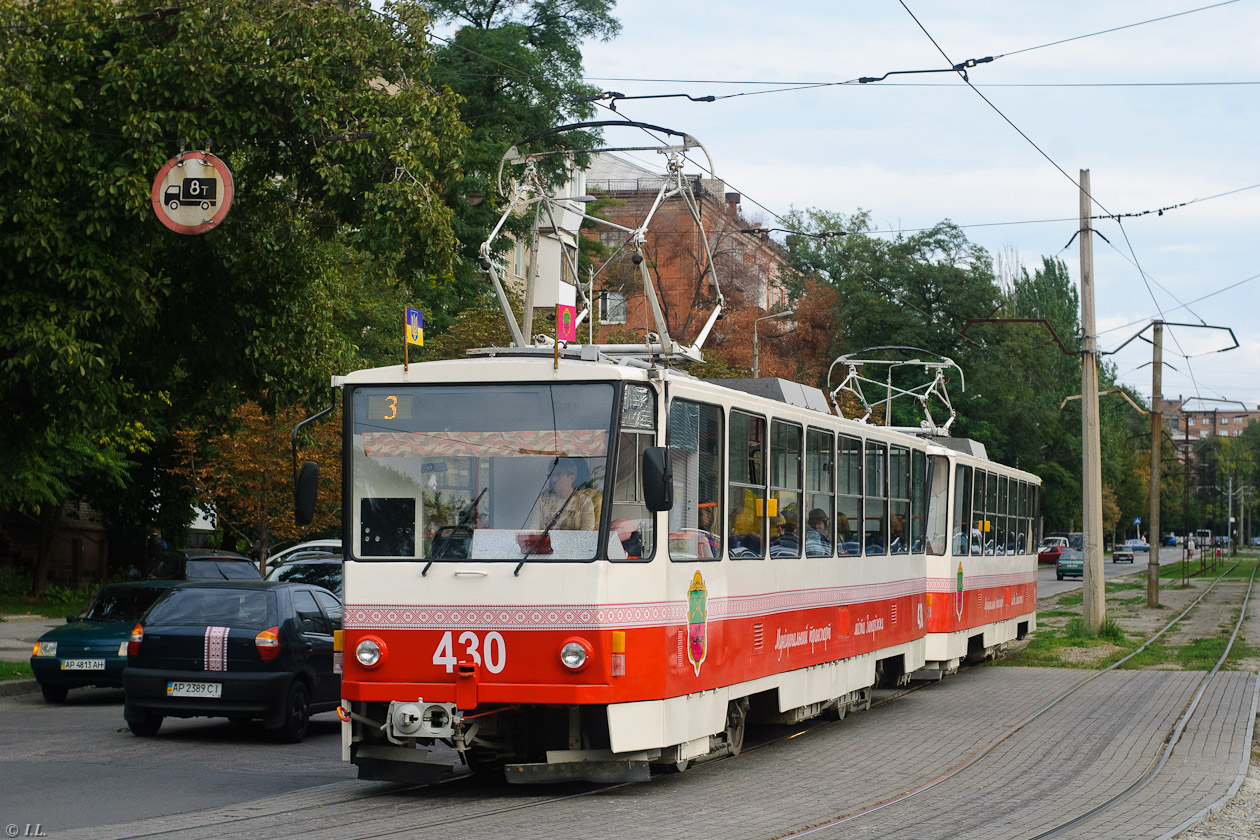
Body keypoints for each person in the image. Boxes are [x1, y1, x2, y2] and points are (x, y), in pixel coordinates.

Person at [532, 459, 597, 531]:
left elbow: (587, 534)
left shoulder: (584, 502)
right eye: (551, 475)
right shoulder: (543, 499)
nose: (553, 479)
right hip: (545, 539)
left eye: (558, 474)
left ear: (571, 478)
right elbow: (533, 531)